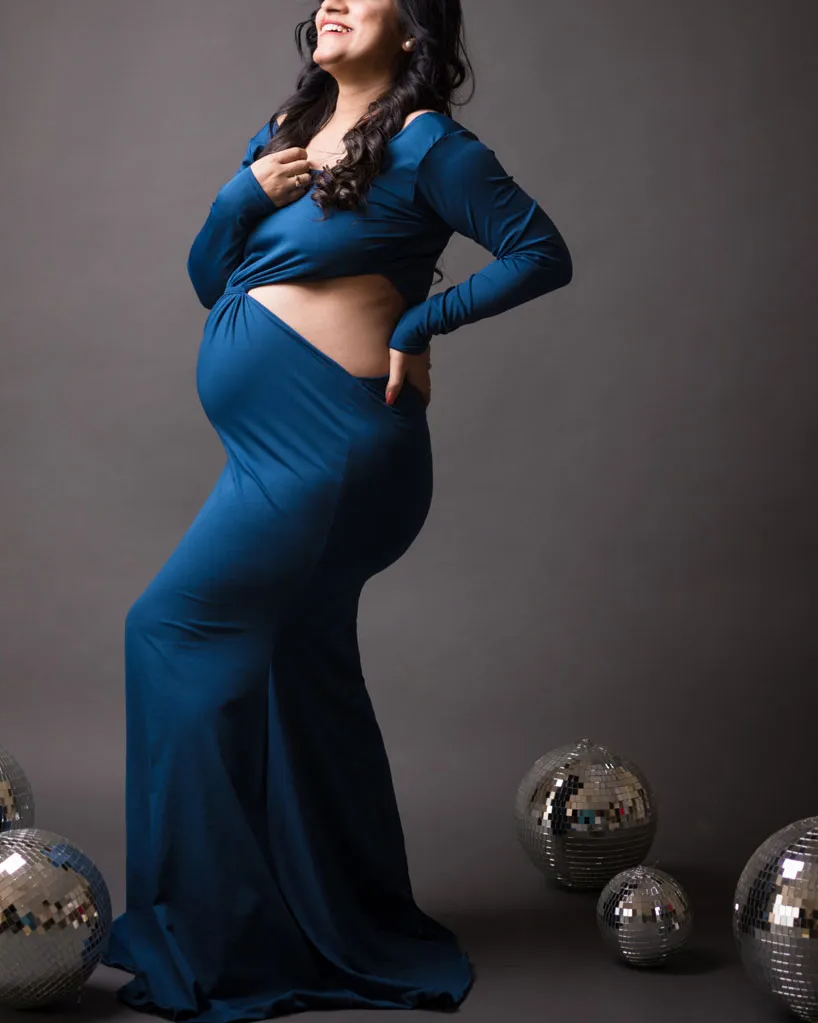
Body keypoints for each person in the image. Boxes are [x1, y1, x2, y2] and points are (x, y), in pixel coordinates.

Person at [103, 2, 573, 1021]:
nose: (333, 2)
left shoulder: (429, 145)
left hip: (336, 456)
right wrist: (237, 196)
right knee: (295, 673)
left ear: (414, 30)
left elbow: (542, 251)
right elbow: (205, 284)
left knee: (168, 631)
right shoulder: (279, 133)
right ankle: (331, 916)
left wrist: (423, 319)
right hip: (268, 456)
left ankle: (217, 934)